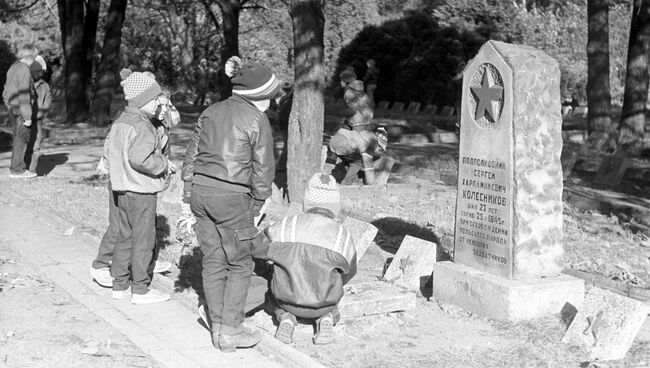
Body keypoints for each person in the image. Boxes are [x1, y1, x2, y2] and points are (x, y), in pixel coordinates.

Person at [181, 56, 278, 352]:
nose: (272, 104)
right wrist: (259, 201)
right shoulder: (256, 119)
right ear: (258, 96)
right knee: (240, 262)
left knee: (213, 258)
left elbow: (192, 155)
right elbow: (263, 167)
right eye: (270, 98)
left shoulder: (210, 111)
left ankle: (217, 325)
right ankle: (231, 331)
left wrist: (188, 193)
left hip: (200, 192)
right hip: (232, 197)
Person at [90, 69, 177, 288]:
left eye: (166, 104)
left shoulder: (156, 123)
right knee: (122, 228)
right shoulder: (138, 123)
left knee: (141, 230)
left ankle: (139, 266)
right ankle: (103, 265)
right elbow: (127, 153)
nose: (163, 108)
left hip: (136, 183)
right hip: (127, 183)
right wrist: (162, 165)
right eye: (159, 102)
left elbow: (162, 147)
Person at [256, 173, 356, 345]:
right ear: (335, 206)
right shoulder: (342, 235)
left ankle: (285, 318)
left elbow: (256, 249)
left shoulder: (286, 226)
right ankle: (326, 318)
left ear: (306, 202)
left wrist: (268, 273)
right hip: (324, 303)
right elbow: (349, 273)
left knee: (270, 298)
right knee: (334, 302)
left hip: (286, 301)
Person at [3, 43, 36, 179]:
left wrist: (9, 105)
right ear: (29, 56)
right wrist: (27, 115)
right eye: (34, 56)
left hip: (12, 108)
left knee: (17, 139)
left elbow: (5, 91)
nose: (35, 59)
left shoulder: (13, 68)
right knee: (21, 140)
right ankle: (18, 170)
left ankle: (15, 168)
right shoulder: (24, 70)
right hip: (21, 110)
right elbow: (24, 95)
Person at [24, 60, 51, 174]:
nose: (39, 74)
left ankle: (32, 171)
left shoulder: (45, 86)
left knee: (36, 145)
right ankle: (22, 169)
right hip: (24, 119)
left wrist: (40, 113)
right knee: (24, 145)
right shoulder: (24, 83)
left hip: (38, 120)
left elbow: (48, 101)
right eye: (34, 72)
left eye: (38, 72)